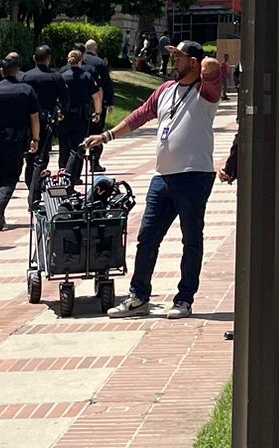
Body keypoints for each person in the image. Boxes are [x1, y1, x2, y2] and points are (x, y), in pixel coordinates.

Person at [95, 40, 224, 319]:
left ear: (193, 62)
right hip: (162, 176)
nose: (173, 61)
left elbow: (212, 65)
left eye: (178, 57)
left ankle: (184, 299)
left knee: (191, 240)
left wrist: (197, 61)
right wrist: (107, 136)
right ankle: (138, 297)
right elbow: (140, 115)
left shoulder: (205, 91)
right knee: (147, 237)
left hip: (194, 175)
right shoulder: (165, 90)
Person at [0, 56, 39, 230]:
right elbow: (34, 117)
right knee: (11, 175)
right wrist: (35, 139)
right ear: (18, 71)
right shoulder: (26, 90)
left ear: (2, 71)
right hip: (15, 139)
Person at [21, 45, 65, 200]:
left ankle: (32, 187)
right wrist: (62, 111)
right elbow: (65, 98)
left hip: (28, 121)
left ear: (34, 58)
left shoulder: (25, 77)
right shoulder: (55, 76)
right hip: (46, 121)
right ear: (49, 59)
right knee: (41, 157)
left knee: (30, 157)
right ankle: (34, 191)